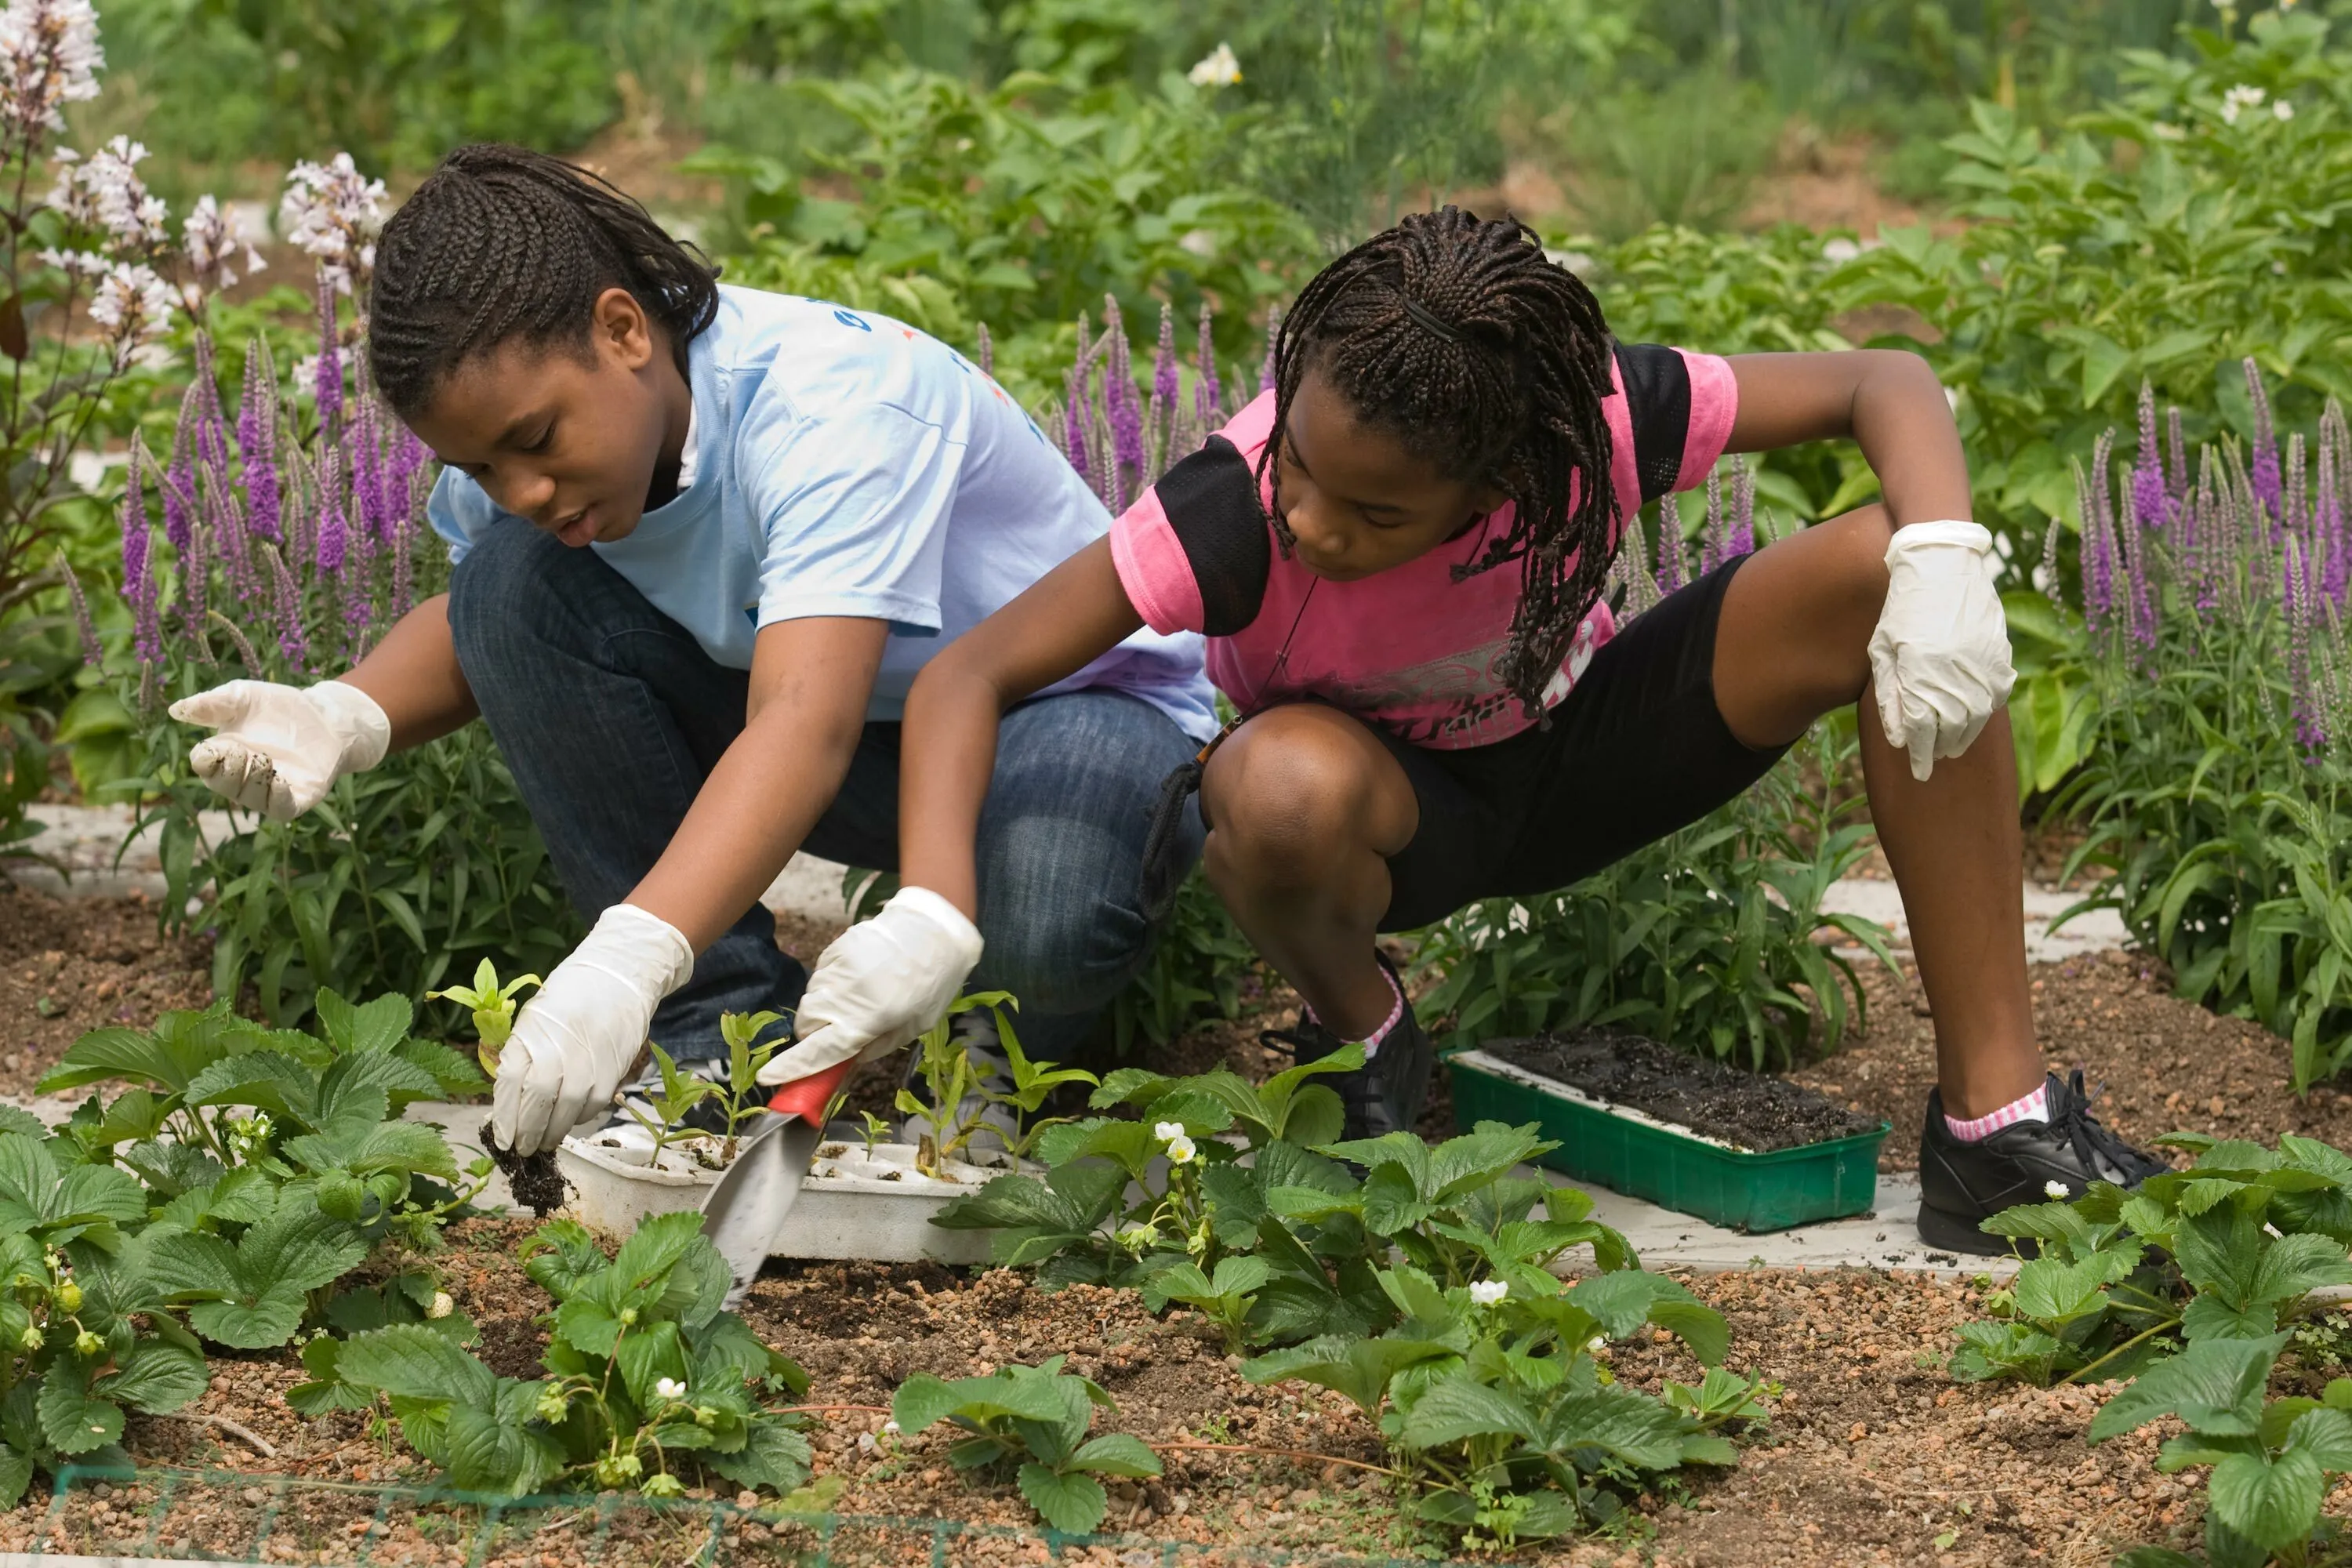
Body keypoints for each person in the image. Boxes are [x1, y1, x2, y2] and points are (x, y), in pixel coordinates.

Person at [758, 206, 2165, 1254]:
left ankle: (1997, 1131)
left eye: (1373, 515)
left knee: (1886, 568)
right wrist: (939, 906)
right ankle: (1366, 1033)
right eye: (1302, 468)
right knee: (1269, 779)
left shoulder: (1587, 422)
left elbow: (1885, 382)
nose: (1311, 518)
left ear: (1502, 477)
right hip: (1388, 820)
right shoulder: (1235, 506)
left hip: (1588, 747)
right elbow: (969, 674)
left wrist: (1940, 554)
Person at [162, 143, 1217, 1159]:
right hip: (870, 741)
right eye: (478, 468)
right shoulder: (540, 469)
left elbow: (805, 723)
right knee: (511, 580)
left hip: (1079, 725)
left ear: (623, 330)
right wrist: (345, 713)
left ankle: (998, 1057)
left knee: (1044, 899)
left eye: (534, 442)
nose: (518, 489)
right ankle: (715, 1042)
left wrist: (625, 957)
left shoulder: (831, 409)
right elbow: (490, 622)